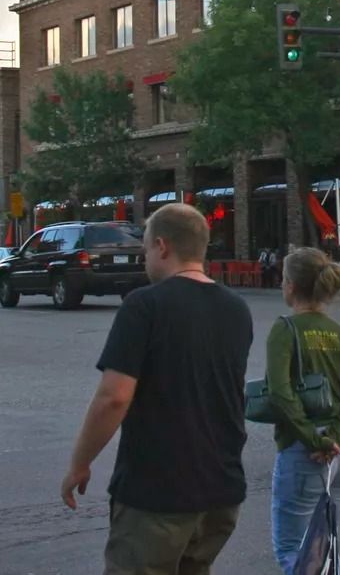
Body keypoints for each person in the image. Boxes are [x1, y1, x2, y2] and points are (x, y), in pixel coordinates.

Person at [62, 204, 252, 574]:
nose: (145, 257)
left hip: (158, 493)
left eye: (145, 248)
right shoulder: (236, 308)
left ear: (162, 246)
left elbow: (114, 398)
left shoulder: (145, 305)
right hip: (221, 490)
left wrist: (79, 464)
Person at [266, 247, 340, 574]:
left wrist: (316, 440)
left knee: (295, 552)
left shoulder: (285, 329)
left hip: (305, 453)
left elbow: (280, 394)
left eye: (283, 279)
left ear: (291, 286)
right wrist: (335, 437)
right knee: (325, 548)